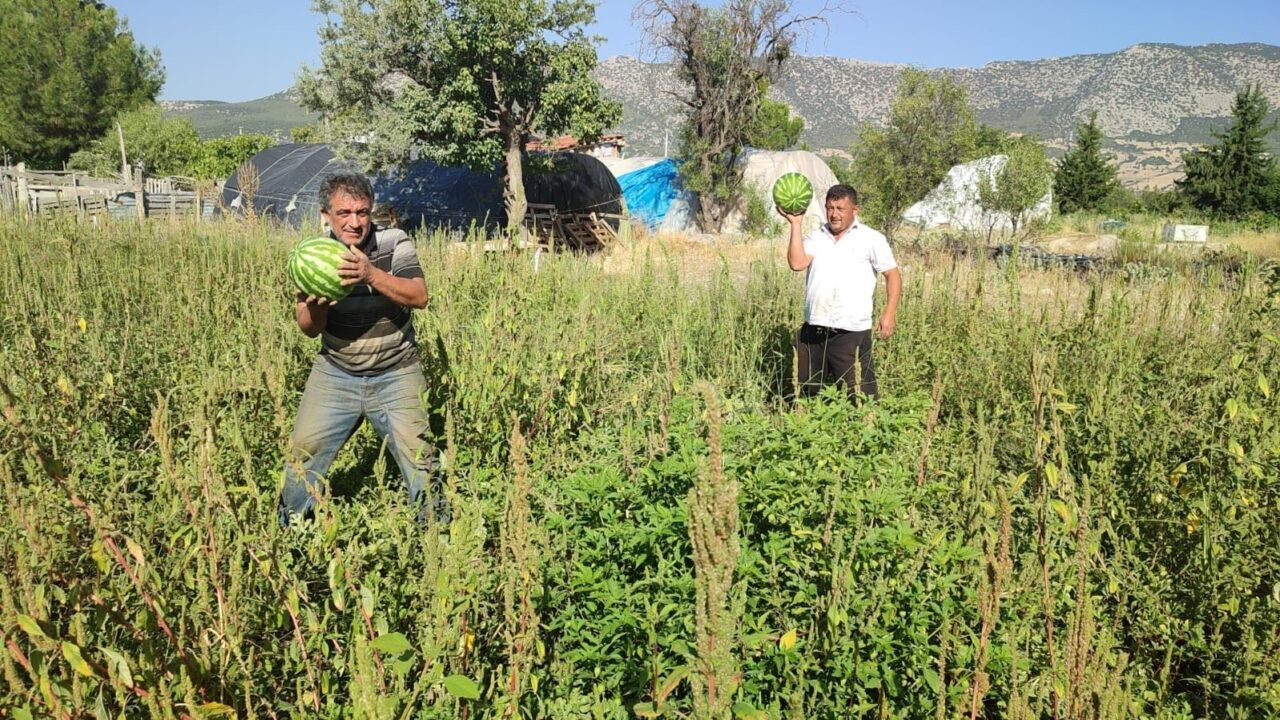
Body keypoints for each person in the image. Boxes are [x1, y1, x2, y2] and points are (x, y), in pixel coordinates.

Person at [279, 172, 443, 525]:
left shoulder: (394, 242)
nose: (354, 222)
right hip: (335, 373)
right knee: (302, 456)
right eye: (344, 213)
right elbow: (309, 329)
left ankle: (437, 538)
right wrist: (317, 306)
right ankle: (291, 534)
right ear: (326, 215)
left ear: (371, 211)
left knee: (422, 462)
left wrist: (370, 274)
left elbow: (420, 296)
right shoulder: (314, 254)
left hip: (397, 372)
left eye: (362, 212)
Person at [779, 184, 901, 403]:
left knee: (859, 397)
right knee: (807, 395)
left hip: (851, 332)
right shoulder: (816, 237)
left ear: (855, 209)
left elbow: (893, 275)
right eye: (830, 208)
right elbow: (797, 263)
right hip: (814, 329)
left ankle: (864, 423)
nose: (834, 214)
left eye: (840, 208)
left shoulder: (871, 239)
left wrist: (889, 313)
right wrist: (796, 224)